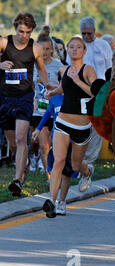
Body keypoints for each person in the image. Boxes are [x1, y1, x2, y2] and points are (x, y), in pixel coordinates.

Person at [42, 36, 97, 218]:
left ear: (84, 51)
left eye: (78, 47)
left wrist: (79, 81)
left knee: (74, 165)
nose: (74, 50)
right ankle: (51, 200)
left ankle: (87, 171)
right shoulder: (63, 69)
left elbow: (96, 92)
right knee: (58, 160)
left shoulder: (88, 70)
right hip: (63, 121)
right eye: (71, 47)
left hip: (81, 126)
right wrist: (53, 91)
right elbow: (64, 88)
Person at [0, 12, 55, 196]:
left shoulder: (35, 48)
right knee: (13, 144)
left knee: (21, 139)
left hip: (25, 97)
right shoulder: (4, 43)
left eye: (28, 32)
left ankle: (17, 181)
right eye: (21, 31)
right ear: (15, 28)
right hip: (5, 98)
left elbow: (41, 68)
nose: (24, 36)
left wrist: (47, 85)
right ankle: (25, 164)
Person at [73, 16, 113, 192]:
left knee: (96, 127)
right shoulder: (77, 46)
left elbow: (110, 69)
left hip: (100, 92)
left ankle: (89, 164)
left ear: (94, 31)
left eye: (89, 33)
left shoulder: (103, 46)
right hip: (81, 91)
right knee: (81, 127)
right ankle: (80, 165)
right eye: (83, 34)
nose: (87, 36)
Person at [31, 36, 64, 178]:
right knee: (40, 143)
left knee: (49, 145)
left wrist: (54, 91)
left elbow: (65, 86)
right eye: (41, 49)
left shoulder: (58, 65)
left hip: (54, 109)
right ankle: (47, 173)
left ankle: (52, 175)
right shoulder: (32, 65)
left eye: (46, 49)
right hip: (37, 109)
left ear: (51, 50)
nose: (43, 52)